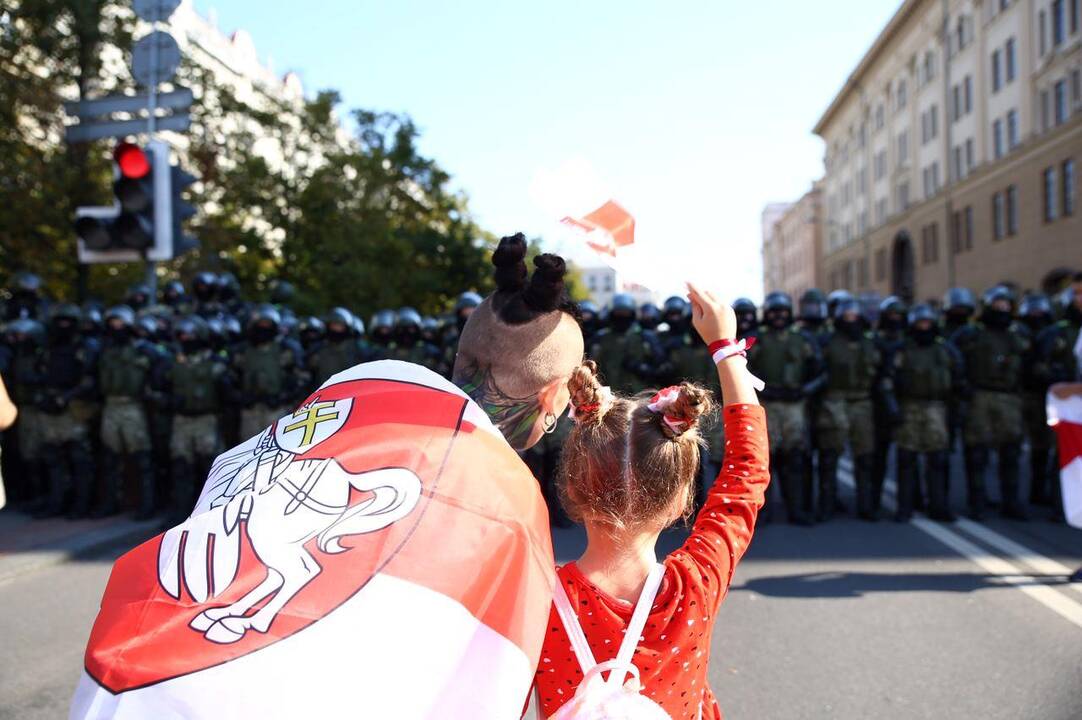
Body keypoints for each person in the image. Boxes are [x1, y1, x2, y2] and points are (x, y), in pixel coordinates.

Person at [533, 283, 767, 720]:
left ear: (571, 489)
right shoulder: (695, 585)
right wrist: (724, 349)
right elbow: (746, 474)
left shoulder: (535, 598)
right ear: (682, 499)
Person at [952, 286, 1031, 520]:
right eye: (997, 304)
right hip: (980, 396)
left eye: (1005, 304)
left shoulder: (1018, 333)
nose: (1002, 308)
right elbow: (953, 359)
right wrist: (962, 385)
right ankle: (977, 501)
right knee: (977, 453)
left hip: (1010, 397)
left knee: (1011, 452)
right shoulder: (970, 333)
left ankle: (1011, 501)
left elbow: (1031, 360)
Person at [747, 291, 823, 525]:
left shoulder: (803, 339)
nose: (778, 316)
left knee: (796, 458)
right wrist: (760, 390)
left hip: (794, 406)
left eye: (782, 312)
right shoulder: (756, 339)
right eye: (773, 312)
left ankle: (796, 510)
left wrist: (805, 389)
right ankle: (763, 511)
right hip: (766, 405)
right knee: (764, 460)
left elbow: (820, 371)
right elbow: (742, 370)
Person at [815, 298, 885, 521]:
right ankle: (827, 504)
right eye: (846, 316)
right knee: (830, 456)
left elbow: (880, 374)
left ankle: (866, 505)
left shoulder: (870, 342)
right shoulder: (827, 342)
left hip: (862, 402)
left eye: (854, 316)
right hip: (834, 401)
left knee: (865, 456)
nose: (851, 319)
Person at [892, 304, 962, 522]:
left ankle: (938, 505)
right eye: (920, 323)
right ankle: (905, 506)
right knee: (906, 459)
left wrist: (956, 409)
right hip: (910, 407)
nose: (924, 327)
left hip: (937, 408)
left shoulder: (945, 349)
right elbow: (889, 378)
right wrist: (893, 408)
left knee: (937, 460)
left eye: (927, 323)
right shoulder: (902, 349)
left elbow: (958, 378)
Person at [96, 306, 164, 519]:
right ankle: (111, 502)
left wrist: (152, 391)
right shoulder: (106, 349)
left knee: (142, 457)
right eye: (112, 323)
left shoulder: (144, 349)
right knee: (110, 457)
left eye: (120, 323)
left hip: (134, 406)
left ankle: (148, 505)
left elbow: (161, 369)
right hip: (111, 405)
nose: (116, 327)